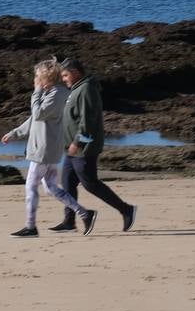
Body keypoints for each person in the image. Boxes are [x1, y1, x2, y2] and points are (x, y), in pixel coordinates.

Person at [0, 58, 95, 238]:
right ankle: (85, 213)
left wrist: (36, 91)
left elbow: (38, 113)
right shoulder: (51, 92)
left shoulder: (57, 94)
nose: (35, 79)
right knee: (50, 186)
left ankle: (30, 226)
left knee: (31, 186)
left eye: (37, 76)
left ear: (46, 76)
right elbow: (34, 119)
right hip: (45, 148)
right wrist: (14, 133)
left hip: (44, 149)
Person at [50, 57, 136, 234]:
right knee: (67, 182)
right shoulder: (76, 88)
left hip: (84, 147)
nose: (63, 79)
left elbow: (88, 121)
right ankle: (69, 221)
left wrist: (77, 142)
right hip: (72, 147)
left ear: (75, 73)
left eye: (65, 75)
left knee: (90, 183)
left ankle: (126, 210)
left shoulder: (87, 89)